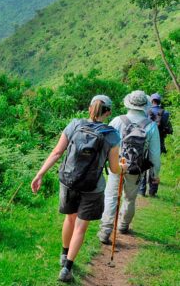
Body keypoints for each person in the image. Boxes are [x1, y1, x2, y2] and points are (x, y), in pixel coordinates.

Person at [31, 95, 121, 282]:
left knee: (69, 219)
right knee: (80, 227)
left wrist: (39, 174)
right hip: (93, 187)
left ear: (90, 108)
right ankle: (67, 269)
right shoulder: (112, 135)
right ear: (109, 113)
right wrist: (124, 167)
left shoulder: (74, 125)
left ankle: (64, 255)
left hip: (69, 181)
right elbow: (114, 169)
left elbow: (57, 152)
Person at [98, 91, 161, 244]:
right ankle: (123, 225)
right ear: (144, 105)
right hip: (135, 168)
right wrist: (155, 174)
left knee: (111, 197)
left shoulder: (117, 121)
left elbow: (105, 144)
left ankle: (105, 231)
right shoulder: (151, 126)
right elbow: (154, 155)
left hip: (117, 165)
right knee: (129, 198)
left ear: (129, 104)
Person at [139, 93, 173, 196]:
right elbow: (168, 129)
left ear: (151, 101)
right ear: (159, 101)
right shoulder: (166, 113)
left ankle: (141, 190)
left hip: (146, 140)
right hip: (159, 142)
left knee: (143, 163)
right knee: (155, 165)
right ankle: (153, 191)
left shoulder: (146, 112)